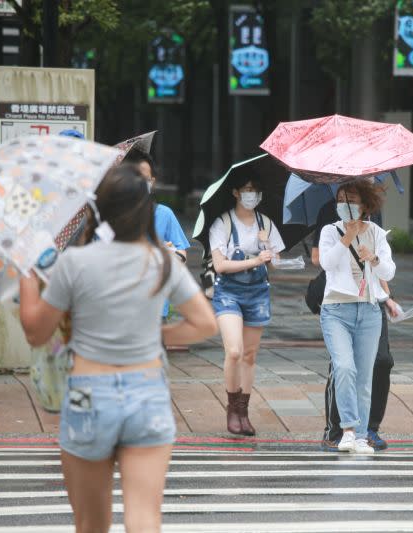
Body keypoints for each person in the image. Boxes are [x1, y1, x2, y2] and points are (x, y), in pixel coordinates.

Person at [18, 164, 217, 532]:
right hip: (147, 392)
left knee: (91, 524)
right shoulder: (160, 261)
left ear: (97, 209)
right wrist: (156, 336)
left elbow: (35, 332)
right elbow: (205, 323)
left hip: (89, 394)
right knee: (144, 520)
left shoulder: (75, 262)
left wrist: (29, 274)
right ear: (145, 210)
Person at [312, 199, 400, 452]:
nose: (345, 205)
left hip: (369, 310)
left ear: (365, 206)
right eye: (342, 200)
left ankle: (361, 437)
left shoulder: (377, 234)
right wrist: (346, 238)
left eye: (352, 200)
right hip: (336, 309)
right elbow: (326, 263)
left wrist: (373, 258)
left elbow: (389, 272)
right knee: (344, 367)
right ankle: (347, 430)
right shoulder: (330, 230)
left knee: (364, 376)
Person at [209, 174, 285, 436]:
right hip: (228, 292)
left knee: (250, 356)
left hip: (258, 293)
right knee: (234, 351)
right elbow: (220, 265)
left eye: (255, 190)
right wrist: (255, 260)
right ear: (235, 193)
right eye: (247, 189)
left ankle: (244, 411)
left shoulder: (266, 223)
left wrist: (266, 244)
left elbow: (276, 262)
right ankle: (232, 409)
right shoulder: (222, 223)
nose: (252, 194)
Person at [124, 148, 191, 320]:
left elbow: (182, 255)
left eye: (145, 179)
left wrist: (171, 255)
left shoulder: (164, 214)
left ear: (152, 181)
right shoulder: (113, 216)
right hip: (121, 305)